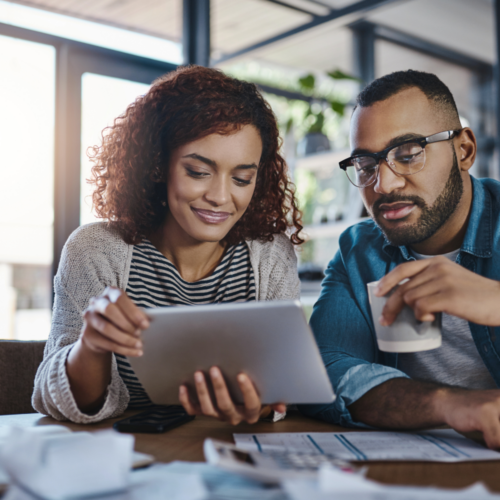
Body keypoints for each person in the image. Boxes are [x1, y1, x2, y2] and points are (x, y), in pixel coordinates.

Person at [33, 65, 302, 425]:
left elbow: (282, 387)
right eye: (198, 172)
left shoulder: (270, 256)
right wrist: (92, 346)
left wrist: (264, 404)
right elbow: (58, 401)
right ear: (158, 164)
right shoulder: (94, 250)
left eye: (242, 178)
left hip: (227, 456)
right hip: (124, 459)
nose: (221, 196)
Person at [300, 69, 500, 449]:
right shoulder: (359, 251)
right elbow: (325, 370)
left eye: (408, 155)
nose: (384, 185)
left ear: (464, 150)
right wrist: (451, 405)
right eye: (366, 165)